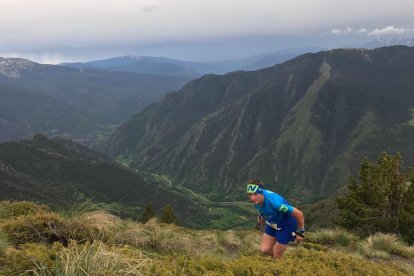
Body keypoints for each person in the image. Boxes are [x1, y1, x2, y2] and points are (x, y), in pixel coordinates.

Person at [246, 178, 305, 259]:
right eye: (250, 194)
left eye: (255, 194)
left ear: (261, 192)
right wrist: (261, 216)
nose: (252, 198)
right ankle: (275, 262)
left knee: (277, 254)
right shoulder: (257, 200)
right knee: (265, 250)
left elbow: (299, 214)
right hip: (272, 223)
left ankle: (280, 267)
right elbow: (262, 208)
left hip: (286, 225)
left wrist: (300, 232)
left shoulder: (276, 204)